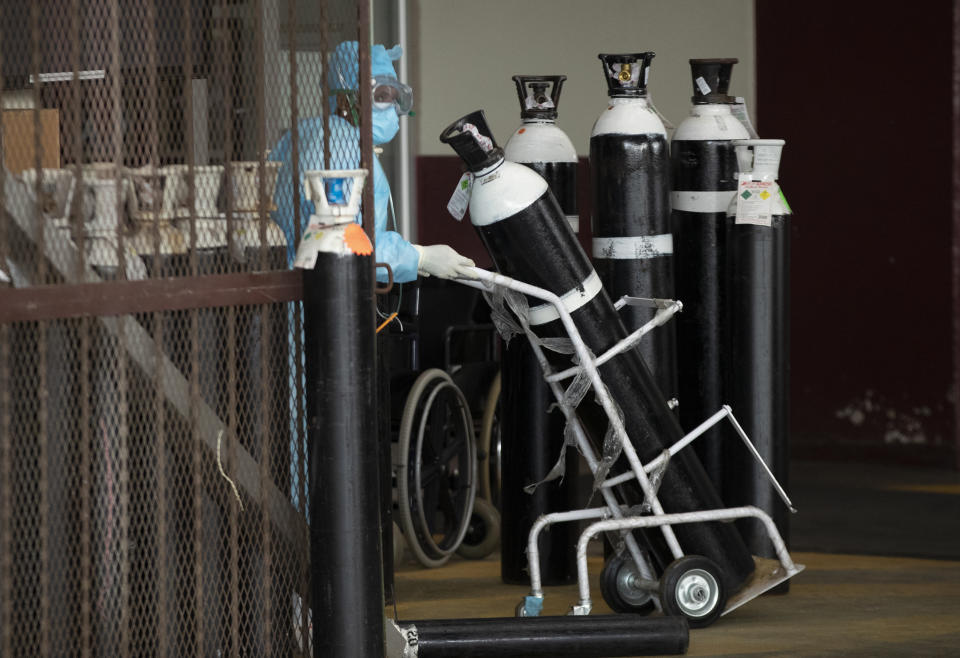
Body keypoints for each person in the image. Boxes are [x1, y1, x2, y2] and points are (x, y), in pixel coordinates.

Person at [270, 41, 475, 282]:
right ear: (347, 98)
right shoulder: (339, 148)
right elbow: (344, 242)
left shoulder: (306, 133)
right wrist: (418, 256)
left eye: (396, 98)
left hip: (299, 288)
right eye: (382, 96)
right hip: (328, 297)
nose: (392, 109)